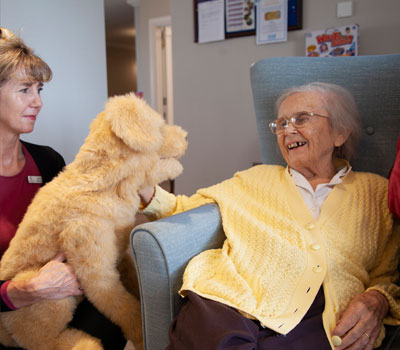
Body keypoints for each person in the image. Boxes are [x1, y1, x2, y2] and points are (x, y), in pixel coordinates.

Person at [139, 82, 400, 350]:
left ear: (340, 133)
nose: (288, 130)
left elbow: (386, 273)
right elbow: (183, 209)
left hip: (317, 318)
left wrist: (377, 298)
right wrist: (142, 188)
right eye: (281, 123)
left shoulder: (377, 192)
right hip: (229, 301)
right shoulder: (256, 178)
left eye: (302, 118)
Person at [0, 27, 126, 349]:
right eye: (25, 90)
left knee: (110, 319)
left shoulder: (47, 160)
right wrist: (24, 291)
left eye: (40, 90)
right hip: (6, 309)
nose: (38, 102)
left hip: (58, 303)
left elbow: (77, 225)